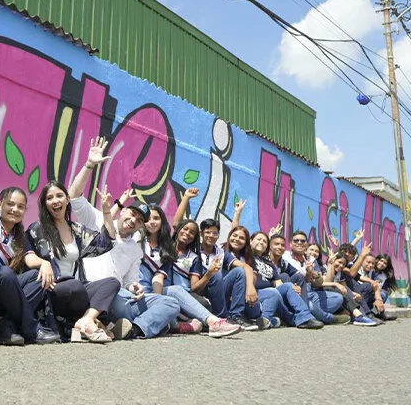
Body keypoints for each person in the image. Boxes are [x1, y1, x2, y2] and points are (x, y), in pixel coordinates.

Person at [67, 137, 180, 340]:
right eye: (132, 214)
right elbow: (74, 197)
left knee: (171, 304)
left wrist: (134, 287)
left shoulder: (136, 249)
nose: (133, 220)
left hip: (123, 295)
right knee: (158, 319)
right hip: (97, 291)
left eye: (139, 220)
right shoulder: (99, 220)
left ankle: (133, 328)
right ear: (123, 210)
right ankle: (129, 324)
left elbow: (130, 280)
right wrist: (89, 165)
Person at [0, 113, 59, 345]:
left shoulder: (21, 236)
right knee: (7, 273)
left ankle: (7, 325)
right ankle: (30, 328)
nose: (15, 209)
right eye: (10, 204)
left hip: (2, 296)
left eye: (21, 206)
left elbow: (31, 261)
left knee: (40, 276)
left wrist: (46, 263)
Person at [23, 181, 121, 343]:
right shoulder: (36, 229)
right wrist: (43, 263)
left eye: (59, 196)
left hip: (78, 289)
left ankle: (86, 320)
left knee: (111, 283)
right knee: (74, 286)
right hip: (54, 289)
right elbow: (27, 256)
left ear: (67, 199)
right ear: (45, 204)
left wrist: (106, 212)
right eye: (50, 198)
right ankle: (95, 322)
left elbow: (107, 242)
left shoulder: (76, 230)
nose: (55, 201)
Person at [139, 205, 240, 338]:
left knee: (202, 304)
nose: (187, 233)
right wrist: (186, 197)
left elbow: (194, 286)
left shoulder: (193, 257)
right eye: (185, 229)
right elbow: (176, 222)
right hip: (159, 291)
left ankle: (212, 321)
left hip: (180, 294)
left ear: (195, 237)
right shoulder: (166, 246)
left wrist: (209, 273)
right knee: (174, 298)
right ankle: (204, 323)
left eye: (192, 232)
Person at [268, 233, 349, 325]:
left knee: (338, 298)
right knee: (285, 277)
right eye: (296, 240)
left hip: (308, 292)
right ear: (290, 244)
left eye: (302, 241)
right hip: (289, 293)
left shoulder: (311, 259)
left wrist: (310, 272)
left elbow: (319, 283)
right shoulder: (285, 256)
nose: (299, 243)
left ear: (306, 245)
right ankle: (326, 317)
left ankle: (306, 312)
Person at [247, 231, 323, 329]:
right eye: (258, 239)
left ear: (267, 246)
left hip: (269, 292)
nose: (261, 242)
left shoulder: (268, 263)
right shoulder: (247, 255)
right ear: (250, 241)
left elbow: (278, 283)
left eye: (264, 241)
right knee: (275, 290)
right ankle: (290, 319)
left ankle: (304, 316)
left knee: (286, 286)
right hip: (254, 291)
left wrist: (292, 289)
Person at [323, 251, 379, 326]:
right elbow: (327, 285)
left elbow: (344, 287)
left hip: (336, 297)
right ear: (333, 260)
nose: (341, 265)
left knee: (351, 293)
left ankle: (361, 315)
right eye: (339, 262)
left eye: (343, 264)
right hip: (325, 298)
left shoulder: (340, 273)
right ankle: (359, 315)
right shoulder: (324, 268)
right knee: (336, 287)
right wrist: (330, 264)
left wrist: (354, 294)